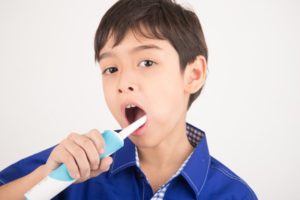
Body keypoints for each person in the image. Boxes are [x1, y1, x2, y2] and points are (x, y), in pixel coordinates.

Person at [0, 0, 257, 199]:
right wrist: (45, 177)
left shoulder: (235, 195)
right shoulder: (74, 165)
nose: (123, 84)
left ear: (193, 74)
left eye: (147, 62)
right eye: (111, 69)